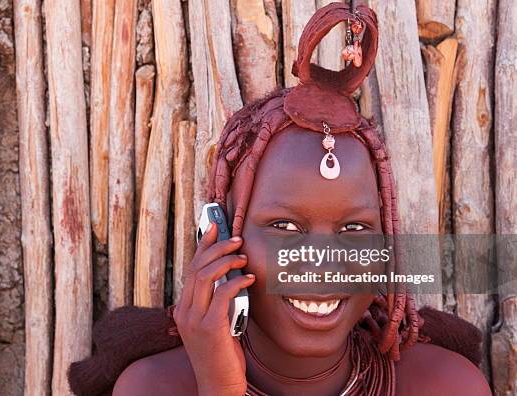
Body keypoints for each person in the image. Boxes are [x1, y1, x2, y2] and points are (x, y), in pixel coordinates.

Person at [70, 3, 491, 395]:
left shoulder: (446, 385)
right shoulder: (154, 388)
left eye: (355, 228)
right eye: (285, 227)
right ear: (219, 237)